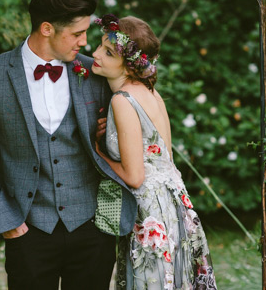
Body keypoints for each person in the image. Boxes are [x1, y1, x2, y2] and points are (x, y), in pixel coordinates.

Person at [0, 0, 137, 290]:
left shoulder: (94, 73)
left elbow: (132, 111)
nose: (84, 42)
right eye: (77, 33)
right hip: (28, 231)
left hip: (92, 230)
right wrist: (6, 218)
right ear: (46, 29)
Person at [91, 14, 217, 290]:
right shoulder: (150, 92)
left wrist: (100, 152)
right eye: (100, 45)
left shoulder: (122, 100)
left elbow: (135, 177)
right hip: (176, 207)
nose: (95, 53)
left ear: (130, 66)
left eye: (108, 52)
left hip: (150, 216)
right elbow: (164, 157)